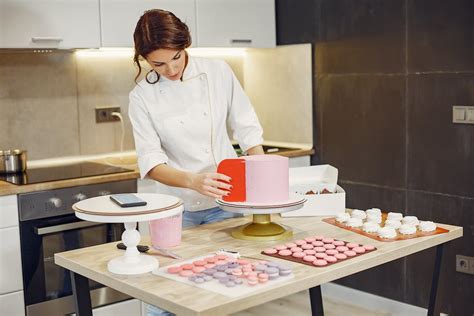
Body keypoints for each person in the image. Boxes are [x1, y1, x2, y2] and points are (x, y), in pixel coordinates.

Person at [128, 9, 264, 316]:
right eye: (157, 63)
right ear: (145, 59)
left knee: (223, 290)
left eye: (176, 57)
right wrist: (193, 180)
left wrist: (264, 178)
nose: (170, 68)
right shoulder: (141, 97)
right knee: (163, 295)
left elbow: (246, 128)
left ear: (185, 45)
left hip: (226, 203)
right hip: (174, 209)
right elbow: (150, 162)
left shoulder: (217, 72)